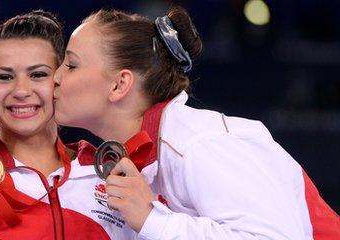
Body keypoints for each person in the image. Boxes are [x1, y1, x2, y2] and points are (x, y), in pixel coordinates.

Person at [53, 6, 340, 239]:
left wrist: (154, 221)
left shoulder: (199, 142)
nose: (55, 77)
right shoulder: (147, 157)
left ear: (119, 84)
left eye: (71, 65)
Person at [0, 10, 137, 240]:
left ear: (60, 79)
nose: (21, 91)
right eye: (4, 77)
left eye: (38, 74)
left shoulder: (111, 172)